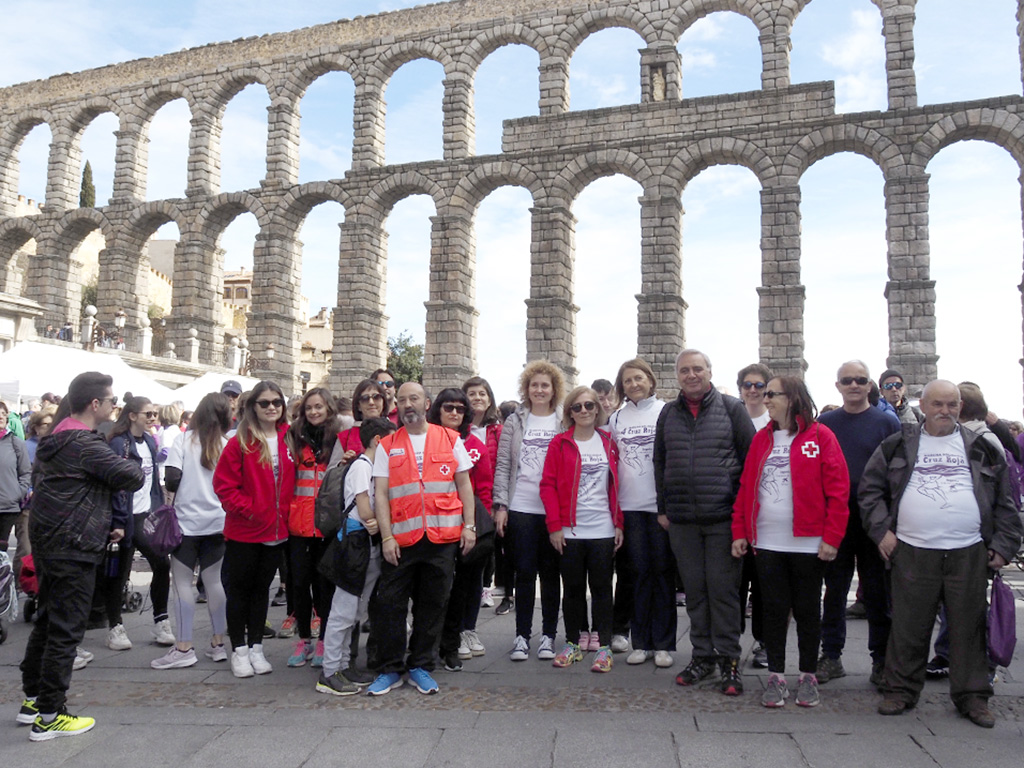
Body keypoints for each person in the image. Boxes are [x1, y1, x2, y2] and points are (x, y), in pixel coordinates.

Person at [860, 380, 1022, 727]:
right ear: (924, 404)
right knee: (908, 626)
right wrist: (881, 533)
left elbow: (1006, 502)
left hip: (968, 551)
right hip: (912, 550)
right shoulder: (898, 444)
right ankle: (900, 690)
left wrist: (1003, 546)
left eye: (952, 405)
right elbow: (870, 490)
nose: (945, 411)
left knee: (968, 628)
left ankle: (973, 697)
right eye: (937, 404)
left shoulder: (983, 447)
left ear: (961, 407)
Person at [18, 372, 144, 741]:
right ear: (95, 404)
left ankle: (33, 699)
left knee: (47, 618)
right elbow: (132, 476)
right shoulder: (84, 443)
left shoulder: (57, 437)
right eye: (111, 400)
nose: (114, 405)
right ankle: (50, 715)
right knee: (66, 628)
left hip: (50, 541)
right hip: (74, 543)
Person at [731, 376, 849, 708]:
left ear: (792, 397)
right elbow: (746, 488)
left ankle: (808, 675)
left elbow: (839, 491)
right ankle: (777, 676)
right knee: (773, 610)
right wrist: (740, 531)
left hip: (809, 544)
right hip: (767, 541)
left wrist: (832, 537)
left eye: (771, 394)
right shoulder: (762, 440)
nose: (764, 399)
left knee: (809, 610)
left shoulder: (820, 436)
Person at [654, 348, 754, 695]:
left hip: (722, 518)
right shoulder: (668, 413)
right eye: (685, 370)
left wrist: (742, 515)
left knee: (723, 592)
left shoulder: (732, 409)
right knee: (695, 592)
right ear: (677, 375)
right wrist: (663, 509)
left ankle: (729, 660)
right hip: (682, 520)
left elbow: (750, 463)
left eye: (698, 369)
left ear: (709, 372)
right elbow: (660, 462)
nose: (691, 375)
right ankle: (702, 656)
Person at [367, 382, 477, 696]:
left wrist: (469, 526)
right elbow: (382, 494)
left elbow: (464, 487)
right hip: (401, 539)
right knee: (390, 605)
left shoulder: (450, 438)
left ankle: (420, 665)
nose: (407, 404)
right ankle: (390, 668)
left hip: (441, 538)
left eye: (413, 398)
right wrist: (386, 537)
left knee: (433, 605)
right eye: (401, 400)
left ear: (426, 403)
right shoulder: (387, 445)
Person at [816, 360, 900, 686]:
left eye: (860, 380)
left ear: (869, 385)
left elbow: (897, 475)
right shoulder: (824, 423)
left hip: (874, 522)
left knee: (878, 595)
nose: (853, 385)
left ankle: (881, 660)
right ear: (837, 385)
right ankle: (831, 656)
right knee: (833, 592)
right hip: (836, 520)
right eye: (847, 380)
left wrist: (891, 524)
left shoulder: (886, 424)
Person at [213, 380, 295, 678]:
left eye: (277, 402)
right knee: (240, 592)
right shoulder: (240, 441)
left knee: (262, 590)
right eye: (265, 403)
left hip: (277, 531)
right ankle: (239, 649)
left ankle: (257, 647)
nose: (272, 407)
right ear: (253, 407)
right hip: (245, 531)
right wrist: (251, 511)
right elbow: (224, 486)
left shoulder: (289, 438)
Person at [542, 385, 623, 672]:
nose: (585, 411)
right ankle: (573, 642)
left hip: (602, 528)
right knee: (573, 589)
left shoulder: (608, 442)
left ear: (597, 409)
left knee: (602, 589)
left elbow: (617, 486)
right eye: (578, 407)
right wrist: (554, 526)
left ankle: (604, 647)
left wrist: (618, 523)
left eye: (590, 405)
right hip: (570, 530)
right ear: (570, 413)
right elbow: (548, 485)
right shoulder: (559, 443)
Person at [151, 393, 231, 669]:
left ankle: (184, 647)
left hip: (187, 523)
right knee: (215, 582)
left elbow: (171, 478)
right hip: (219, 522)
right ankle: (218, 643)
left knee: (183, 583)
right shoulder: (228, 444)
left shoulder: (184, 440)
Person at [316, 417, 395, 695]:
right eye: (391, 439)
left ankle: (343, 665)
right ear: (378, 440)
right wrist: (375, 521)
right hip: (355, 544)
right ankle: (329, 672)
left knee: (356, 610)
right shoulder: (362, 466)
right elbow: (364, 508)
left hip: (365, 544)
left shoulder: (371, 465)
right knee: (343, 610)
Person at [494, 360, 566, 662]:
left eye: (544, 385)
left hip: (553, 511)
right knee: (524, 574)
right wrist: (501, 505)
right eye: (534, 385)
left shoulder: (564, 420)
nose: (539, 389)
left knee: (551, 576)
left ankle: (548, 636)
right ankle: (522, 636)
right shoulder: (515, 421)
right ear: (527, 389)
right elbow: (503, 464)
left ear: (554, 390)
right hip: (521, 505)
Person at [606, 358, 674, 668]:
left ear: (650, 379)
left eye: (638, 378)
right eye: (627, 380)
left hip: (658, 509)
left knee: (661, 574)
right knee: (636, 574)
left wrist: (667, 505)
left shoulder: (666, 412)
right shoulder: (617, 419)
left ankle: (663, 644)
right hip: (629, 508)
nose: (634, 384)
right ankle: (641, 641)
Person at [430, 388, 494, 670]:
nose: (454, 412)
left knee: (461, 587)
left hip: (465, 523)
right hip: (433, 522)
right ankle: (429, 643)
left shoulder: (476, 447)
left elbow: (483, 488)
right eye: (448, 407)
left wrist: (476, 524)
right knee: (432, 589)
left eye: (460, 408)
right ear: (438, 410)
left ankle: (451, 643)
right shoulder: (425, 440)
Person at [104, 396, 174, 650]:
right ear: (132, 416)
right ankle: (115, 626)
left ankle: (161, 619)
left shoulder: (150, 443)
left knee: (161, 564)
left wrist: (158, 509)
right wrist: (117, 520)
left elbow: (155, 480)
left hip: (145, 515)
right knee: (119, 573)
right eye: (148, 414)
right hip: (124, 517)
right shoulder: (119, 444)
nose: (153, 418)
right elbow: (115, 484)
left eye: (155, 413)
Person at [284, 388, 339, 668]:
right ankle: (303, 638)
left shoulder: (337, 439)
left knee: (324, 587)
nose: (314, 412)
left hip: (326, 525)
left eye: (319, 407)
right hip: (298, 524)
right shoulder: (293, 437)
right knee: (298, 585)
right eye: (309, 408)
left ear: (328, 409)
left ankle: (323, 641)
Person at [735, 363, 774, 669]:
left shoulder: (775, 422)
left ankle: (764, 642)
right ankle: (730, 641)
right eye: (747, 385)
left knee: (764, 585)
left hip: (767, 515)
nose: (752, 390)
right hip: (736, 511)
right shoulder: (731, 418)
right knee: (734, 583)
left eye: (759, 385)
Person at [463, 376, 506, 612]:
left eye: (482, 393)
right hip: (464, 499)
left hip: (489, 498)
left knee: (486, 549)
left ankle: (485, 588)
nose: (477, 398)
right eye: (472, 394)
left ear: (489, 399)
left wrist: (498, 503)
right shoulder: (459, 430)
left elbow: (503, 466)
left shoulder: (498, 431)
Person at [0, 400, 32, 564]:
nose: (1, 416)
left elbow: (26, 472)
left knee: (1, 553)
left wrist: (17, 493)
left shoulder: (15, 442)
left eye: (4, 413)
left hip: (7, 507)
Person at [335, 379, 387, 460]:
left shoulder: (393, 433)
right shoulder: (344, 437)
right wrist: (343, 464)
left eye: (376, 397)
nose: (371, 402)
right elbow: (331, 471)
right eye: (365, 398)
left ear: (383, 402)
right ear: (358, 405)